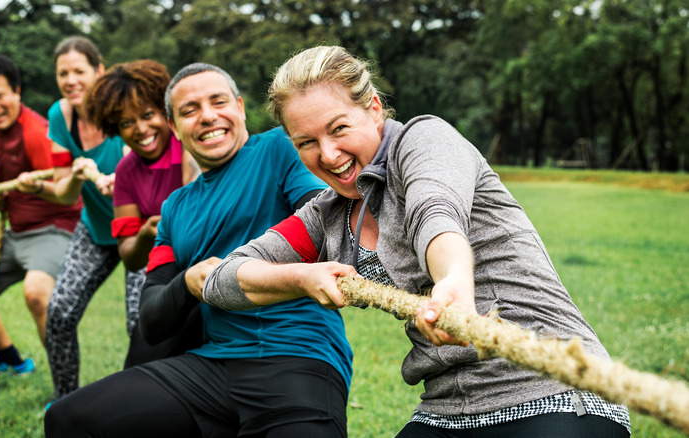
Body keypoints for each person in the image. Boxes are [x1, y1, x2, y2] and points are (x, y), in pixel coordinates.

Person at [202, 46, 632, 437]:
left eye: (338, 128)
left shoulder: (423, 141)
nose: (329, 154)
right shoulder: (326, 214)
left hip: (552, 389)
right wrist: (301, 276)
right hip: (447, 410)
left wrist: (453, 283)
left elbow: (436, 214)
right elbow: (223, 280)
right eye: (307, 143)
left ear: (373, 109)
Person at [45, 62, 352, 438]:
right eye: (189, 110)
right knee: (66, 419)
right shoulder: (175, 208)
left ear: (239, 107)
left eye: (218, 102)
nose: (207, 117)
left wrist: (240, 270)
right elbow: (152, 320)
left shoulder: (278, 149)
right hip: (212, 367)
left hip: (298, 357)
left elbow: (324, 225)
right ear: (175, 127)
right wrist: (189, 282)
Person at [15, 36, 134, 402]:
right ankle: (65, 401)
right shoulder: (59, 115)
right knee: (60, 314)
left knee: (141, 324)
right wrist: (74, 178)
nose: (70, 80)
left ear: (99, 71)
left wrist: (121, 181)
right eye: (62, 73)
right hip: (96, 229)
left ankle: (141, 403)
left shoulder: (124, 107)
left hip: (140, 232)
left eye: (79, 71)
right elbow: (66, 194)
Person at [0, 54, 82, 376]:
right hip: (16, 233)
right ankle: (13, 361)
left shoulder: (38, 133)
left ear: (17, 92)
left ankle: (66, 390)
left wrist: (33, 189)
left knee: (36, 293)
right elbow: (3, 173)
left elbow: (67, 192)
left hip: (55, 228)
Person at [83, 59, 202, 366]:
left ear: (166, 113)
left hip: (210, 266)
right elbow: (129, 256)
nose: (140, 129)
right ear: (114, 128)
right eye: (126, 123)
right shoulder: (126, 172)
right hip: (167, 269)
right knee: (143, 356)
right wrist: (147, 233)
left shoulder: (187, 143)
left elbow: (198, 192)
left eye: (148, 115)